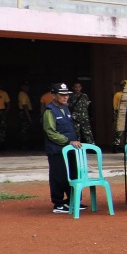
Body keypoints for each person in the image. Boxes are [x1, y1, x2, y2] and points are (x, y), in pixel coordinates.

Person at [42, 83, 83, 213]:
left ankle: (73, 201)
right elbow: (50, 132)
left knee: (73, 174)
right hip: (57, 150)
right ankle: (58, 204)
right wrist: (68, 141)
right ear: (53, 95)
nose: (66, 97)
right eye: (62, 95)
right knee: (58, 176)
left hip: (69, 149)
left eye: (67, 95)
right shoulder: (49, 111)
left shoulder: (65, 109)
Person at [17, 83, 34, 148]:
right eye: (26, 87)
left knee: (26, 129)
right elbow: (24, 106)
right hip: (24, 113)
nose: (27, 88)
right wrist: (29, 116)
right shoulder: (22, 94)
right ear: (22, 87)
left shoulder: (25, 94)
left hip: (26, 112)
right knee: (24, 129)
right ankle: (24, 144)